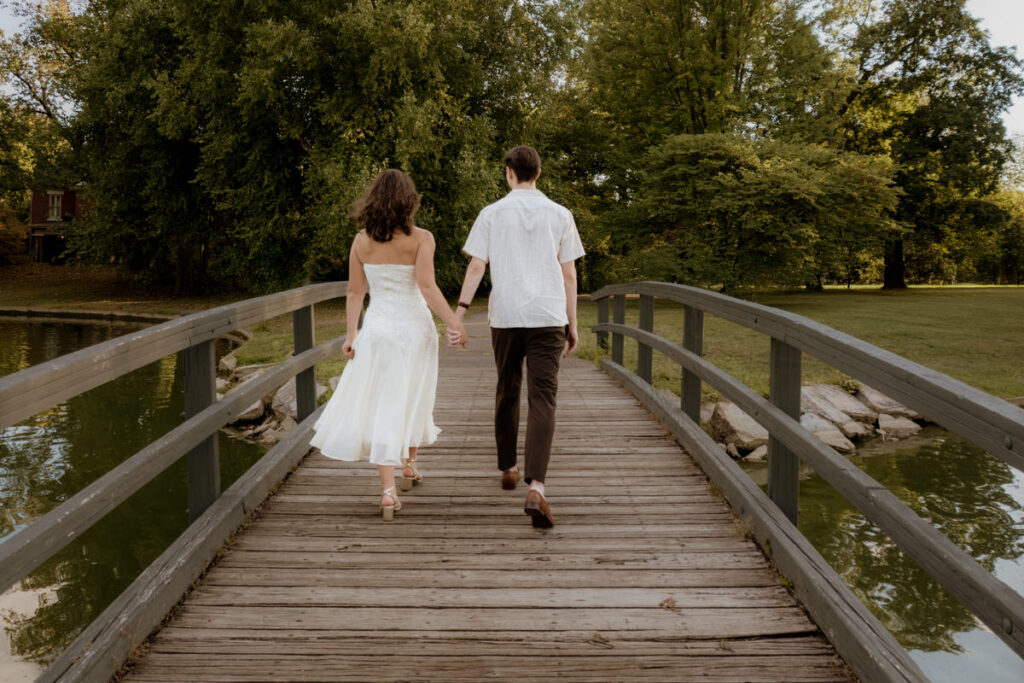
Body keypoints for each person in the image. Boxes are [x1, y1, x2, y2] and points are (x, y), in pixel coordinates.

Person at [310, 169, 467, 521]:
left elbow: (355, 292)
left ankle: (390, 487)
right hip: (414, 329)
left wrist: (352, 334)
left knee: (387, 401)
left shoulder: (360, 242)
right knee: (413, 393)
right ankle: (407, 466)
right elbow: (427, 287)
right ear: (408, 201)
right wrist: (454, 322)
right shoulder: (422, 239)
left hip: (379, 330)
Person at [449, 145, 585, 528]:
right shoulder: (560, 214)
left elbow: (477, 264)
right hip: (547, 317)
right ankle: (537, 487)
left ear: (509, 173)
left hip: (506, 316)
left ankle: (508, 467)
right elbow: (569, 274)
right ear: (538, 173)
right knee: (543, 398)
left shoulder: (491, 214)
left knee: (507, 389)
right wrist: (571, 324)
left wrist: (459, 313)